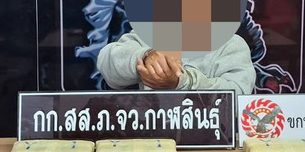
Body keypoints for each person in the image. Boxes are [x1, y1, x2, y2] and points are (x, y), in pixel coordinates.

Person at [97, 31, 255, 94]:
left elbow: (238, 97)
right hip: (152, 140)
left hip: (211, 146)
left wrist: (183, 82)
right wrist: (144, 58)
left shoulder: (232, 44)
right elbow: (107, 64)